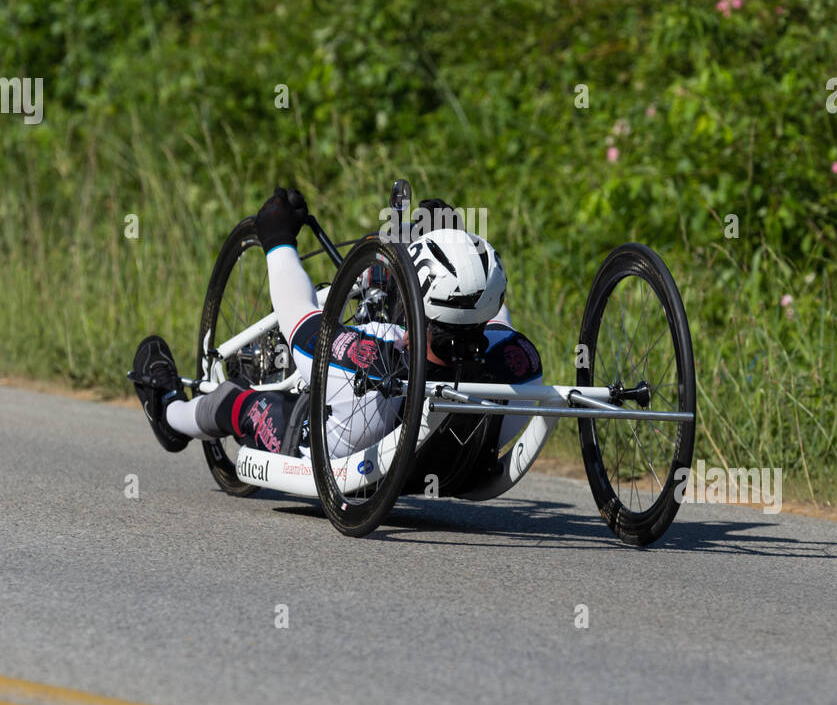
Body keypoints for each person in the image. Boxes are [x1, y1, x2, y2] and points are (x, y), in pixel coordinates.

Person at [130, 189, 542, 492]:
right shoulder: (521, 364)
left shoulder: (373, 357)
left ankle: (170, 413)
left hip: (316, 446)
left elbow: (300, 323)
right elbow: (492, 319)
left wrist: (278, 242)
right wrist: (458, 250)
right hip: (453, 471)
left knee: (234, 402)